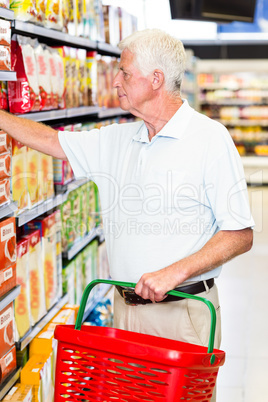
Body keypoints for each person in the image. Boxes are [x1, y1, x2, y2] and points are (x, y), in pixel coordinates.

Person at [0, 29, 253, 400]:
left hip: (182, 315)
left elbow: (240, 233)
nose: (115, 81)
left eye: (124, 72)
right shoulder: (119, 139)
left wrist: (174, 271)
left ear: (156, 80)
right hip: (125, 309)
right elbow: (54, 141)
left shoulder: (209, 140)